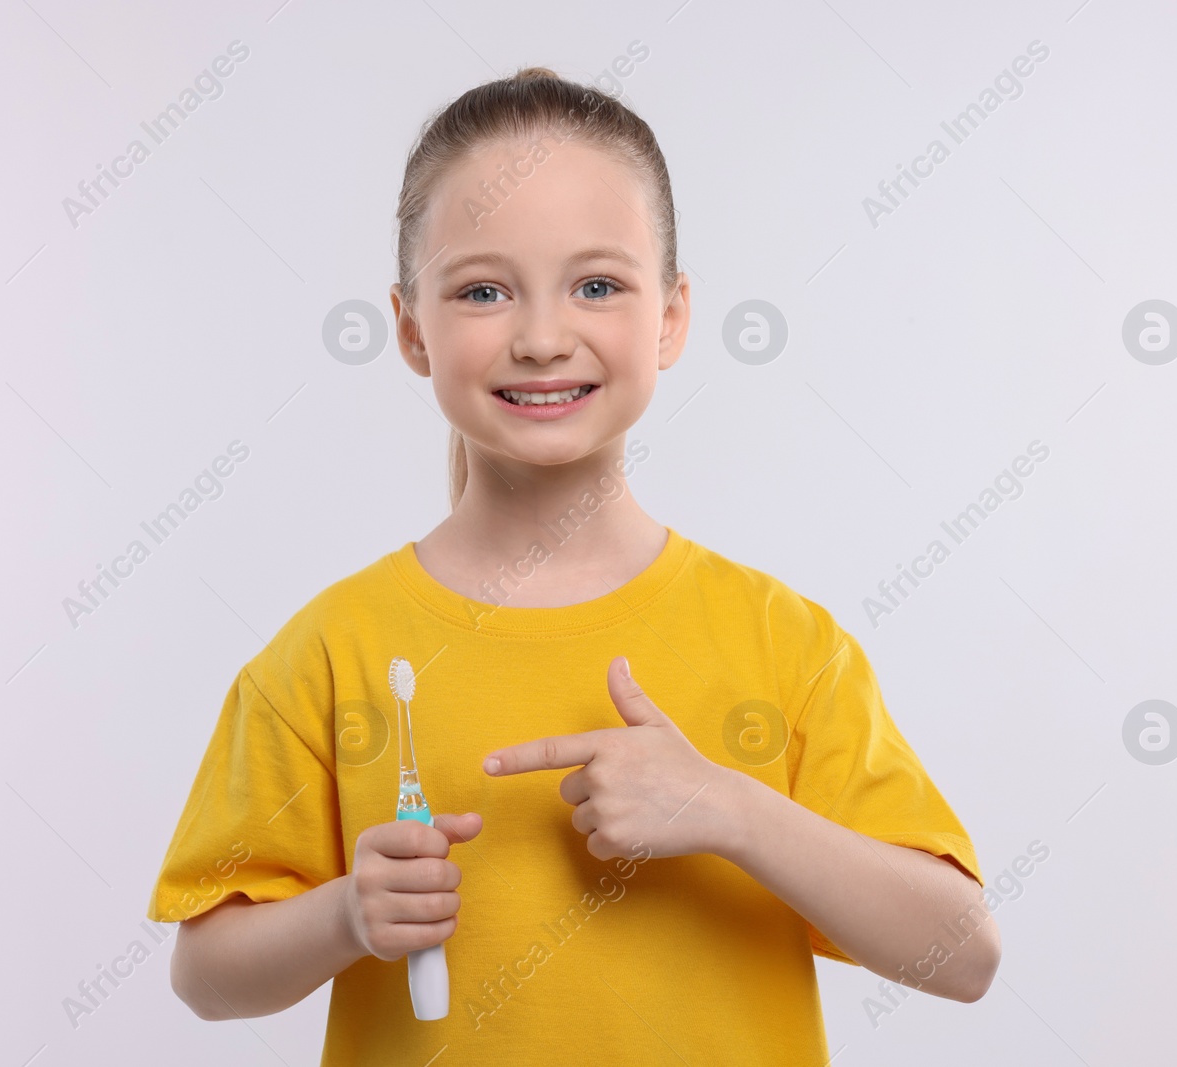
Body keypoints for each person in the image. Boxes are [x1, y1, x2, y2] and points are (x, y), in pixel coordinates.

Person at [148, 65, 1000, 1064]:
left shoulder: (786, 644)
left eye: (597, 285)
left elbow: (964, 953)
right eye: (482, 289)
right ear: (412, 327)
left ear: (671, 317)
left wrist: (728, 809)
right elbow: (204, 974)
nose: (543, 337)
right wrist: (346, 914)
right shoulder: (331, 650)